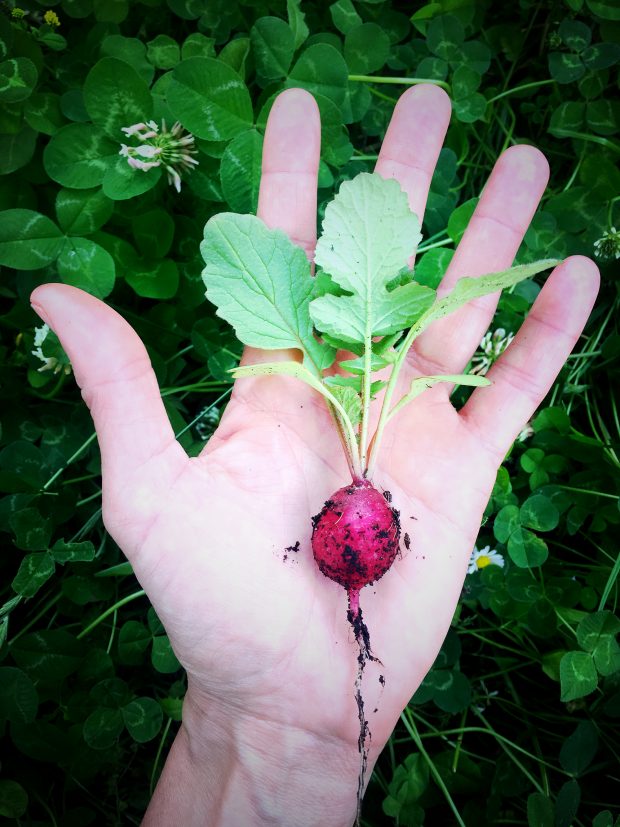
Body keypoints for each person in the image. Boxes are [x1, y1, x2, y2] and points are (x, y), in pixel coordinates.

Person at [30, 86, 599, 826]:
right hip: (356, 519)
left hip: (359, 512)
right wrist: (273, 733)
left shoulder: (361, 525)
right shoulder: (352, 531)